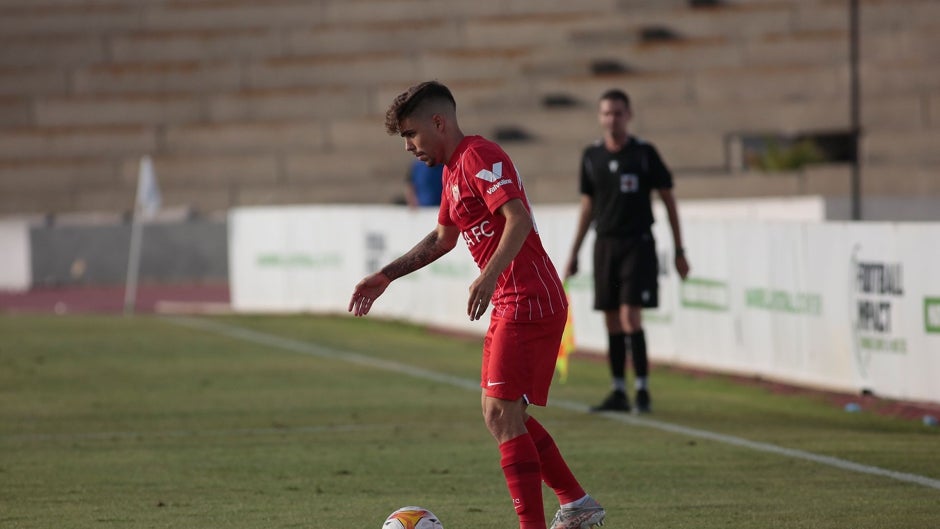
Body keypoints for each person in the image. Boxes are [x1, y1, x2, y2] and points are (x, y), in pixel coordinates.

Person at [349, 81, 605, 529]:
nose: (409, 146)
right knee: (503, 415)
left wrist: (487, 277)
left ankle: (553, 517)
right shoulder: (453, 171)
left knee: (501, 414)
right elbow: (443, 238)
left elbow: (519, 218)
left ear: (438, 122)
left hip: (527, 297)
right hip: (511, 299)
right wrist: (386, 275)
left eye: (411, 134)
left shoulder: (480, 157)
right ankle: (578, 504)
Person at [564, 88, 690, 414]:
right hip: (604, 243)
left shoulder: (644, 154)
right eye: (606, 113)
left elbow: (668, 199)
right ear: (599, 117)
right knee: (611, 319)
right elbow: (587, 207)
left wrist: (679, 249)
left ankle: (643, 389)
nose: (612, 119)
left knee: (630, 315)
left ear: (629, 115)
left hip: (638, 243)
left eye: (618, 113)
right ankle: (618, 390)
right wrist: (574, 252)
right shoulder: (591, 156)